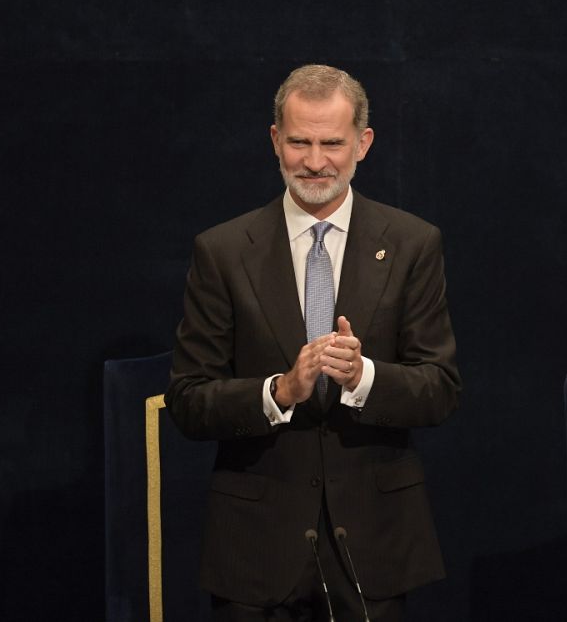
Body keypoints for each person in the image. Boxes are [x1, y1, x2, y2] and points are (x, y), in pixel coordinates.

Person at [167, 64, 461, 622]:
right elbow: (188, 400)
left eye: (332, 143)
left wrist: (362, 377)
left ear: (363, 144)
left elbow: (441, 389)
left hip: (374, 546)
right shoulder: (224, 250)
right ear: (275, 140)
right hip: (255, 549)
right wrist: (279, 390)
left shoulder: (412, 243)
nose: (315, 160)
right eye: (300, 141)